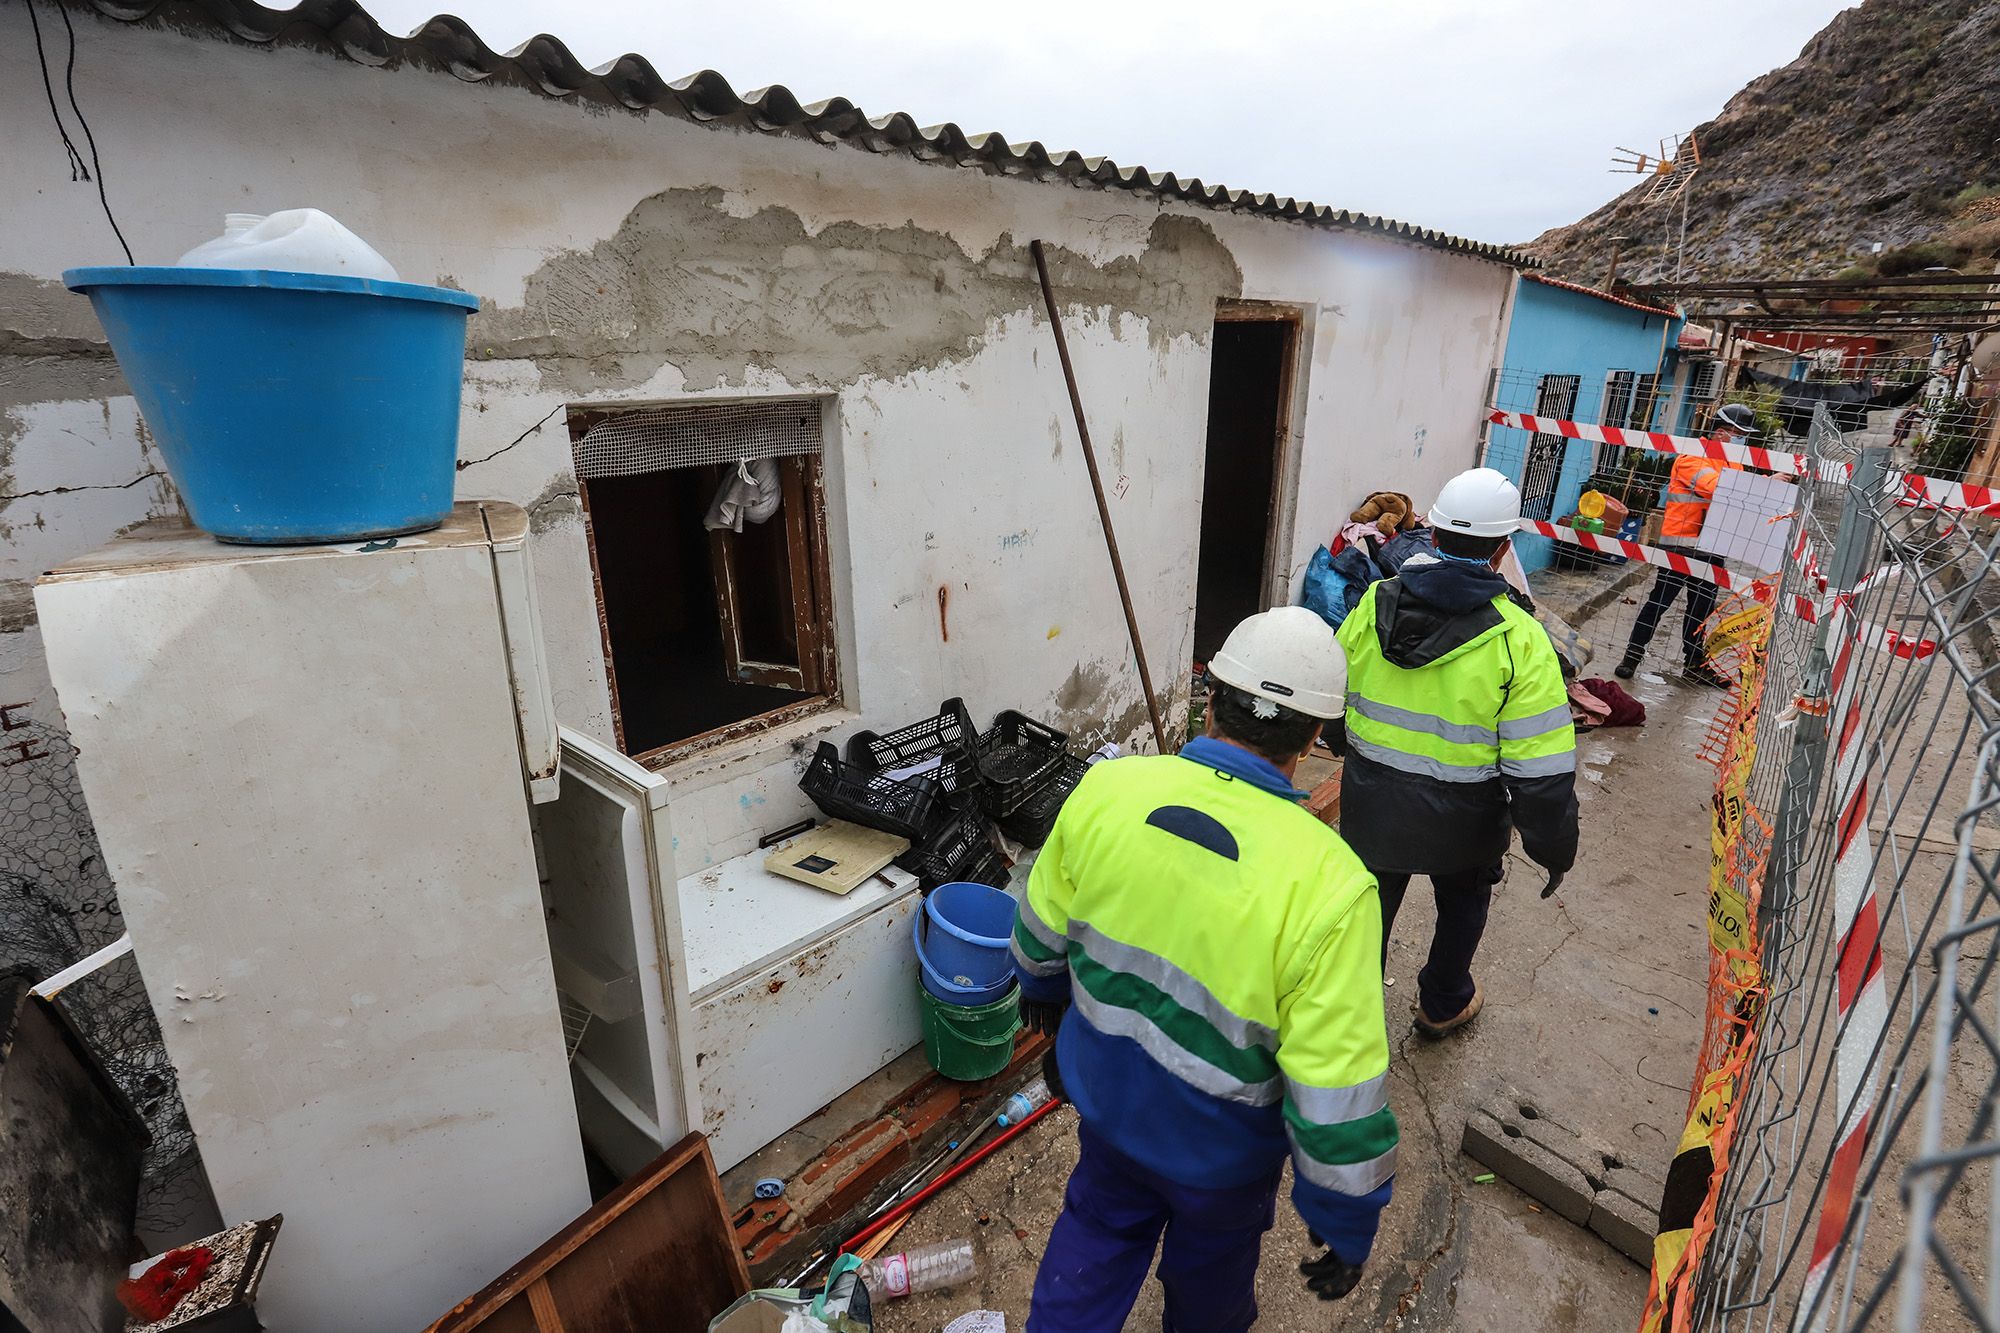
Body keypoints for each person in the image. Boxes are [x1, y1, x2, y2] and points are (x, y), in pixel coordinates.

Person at [1013, 607, 1394, 1332]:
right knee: (1212, 1285)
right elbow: (1335, 1089)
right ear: (1315, 737)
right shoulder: (1332, 884)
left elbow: (1037, 932)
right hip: (1225, 1159)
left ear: (1211, 696)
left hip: (1112, 1110)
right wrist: (1345, 1218)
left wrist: (1043, 995)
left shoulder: (1107, 791)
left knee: (1092, 1239)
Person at [1331, 467, 1578, 1039]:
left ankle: (1346, 1021)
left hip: (1373, 804)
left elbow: (1334, 690)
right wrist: (1553, 846)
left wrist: (1346, 748)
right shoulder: (1520, 638)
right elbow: (1540, 771)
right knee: (1463, 905)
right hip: (1466, 819)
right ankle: (1442, 1004)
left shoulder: (1372, 603)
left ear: (1433, 535)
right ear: (1502, 548)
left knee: (1367, 909)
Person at [1613, 403, 1757, 688]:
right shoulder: (1692, 457)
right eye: (1739, 434)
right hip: (1680, 546)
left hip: (1712, 548)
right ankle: (1632, 657)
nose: (1743, 440)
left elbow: (1741, 495)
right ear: (1720, 433)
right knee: (1659, 603)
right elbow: (1717, 488)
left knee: (1700, 611)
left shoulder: (1734, 461)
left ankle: (1695, 667)